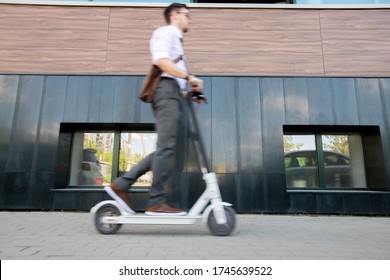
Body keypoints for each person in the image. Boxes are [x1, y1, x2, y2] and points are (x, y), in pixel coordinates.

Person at [107, 3, 203, 216]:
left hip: (172, 94)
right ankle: (156, 202)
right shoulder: (165, 32)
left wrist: (188, 92)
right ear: (175, 15)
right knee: (166, 147)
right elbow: (160, 61)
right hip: (166, 92)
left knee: (165, 148)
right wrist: (188, 77)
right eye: (188, 15)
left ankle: (123, 184)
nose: (190, 19)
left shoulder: (176, 39)